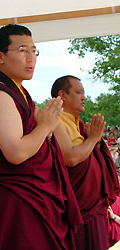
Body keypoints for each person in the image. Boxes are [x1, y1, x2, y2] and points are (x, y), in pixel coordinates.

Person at [0, 24, 83, 250]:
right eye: (22, 50)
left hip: (34, 201)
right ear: (0, 57)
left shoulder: (21, 95)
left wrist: (46, 126)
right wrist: (46, 126)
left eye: (34, 51)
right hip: (17, 203)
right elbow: (16, 152)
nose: (31, 57)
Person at [51, 75, 119, 250]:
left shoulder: (79, 125)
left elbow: (89, 158)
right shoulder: (55, 121)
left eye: (84, 93)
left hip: (94, 207)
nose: (84, 97)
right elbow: (71, 159)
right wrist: (93, 139)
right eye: (79, 92)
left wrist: (94, 142)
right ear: (62, 95)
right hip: (79, 211)